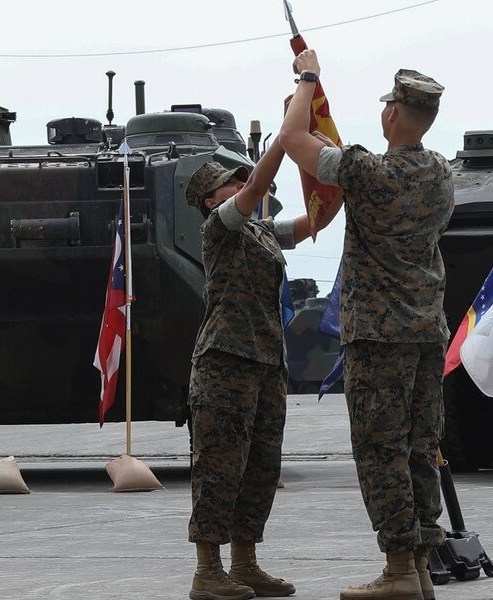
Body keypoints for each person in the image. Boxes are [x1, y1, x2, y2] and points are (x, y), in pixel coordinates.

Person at [280, 51, 453, 600]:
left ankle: (400, 567)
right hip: (427, 334)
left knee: (380, 450)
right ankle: (420, 563)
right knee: (419, 448)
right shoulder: (441, 174)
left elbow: (292, 140)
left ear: (394, 115)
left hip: (379, 339)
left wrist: (307, 80)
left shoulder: (367, 172)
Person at [185, 130, 313, 600]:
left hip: (265, 363)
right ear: (208, 199)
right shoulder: (218, 227)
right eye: (229, 184)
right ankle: (208, 570)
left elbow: (313, 223)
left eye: (241, 180)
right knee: (219, 466)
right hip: (225, 362)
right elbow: (259, 187)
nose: (240, 186)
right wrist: (288, 136)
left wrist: (329, 181)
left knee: (260, 466)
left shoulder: (260, 233)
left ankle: (245, 563)